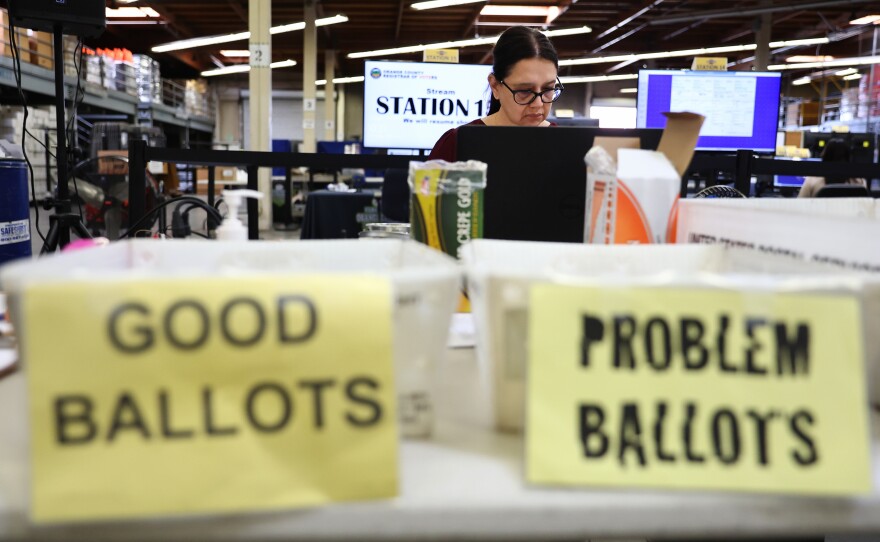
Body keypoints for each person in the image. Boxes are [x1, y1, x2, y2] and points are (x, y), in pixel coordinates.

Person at [427, 26, 563, 161]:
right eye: (525, 91)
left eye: (548, 89)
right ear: (495, 86)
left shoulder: (564, 144)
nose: (538, 103)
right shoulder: (457, 144)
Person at [798, 137, 867, 197]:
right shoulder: (859, 182)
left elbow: (799, 205)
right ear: (848, 159)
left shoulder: (813, 180)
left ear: (824, 157)